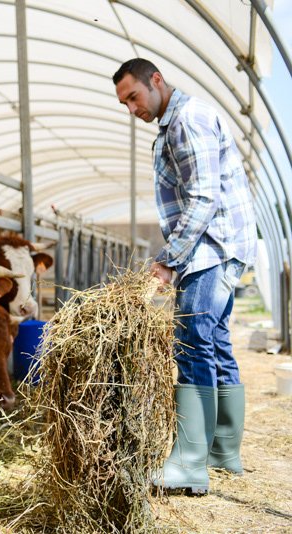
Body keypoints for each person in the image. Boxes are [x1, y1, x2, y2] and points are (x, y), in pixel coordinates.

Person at [112, 58, 257, 494]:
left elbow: (203, 196)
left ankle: (190, 465)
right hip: (219, 246)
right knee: (213, 342)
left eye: (134, 97)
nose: (132, 109)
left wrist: (169, 259)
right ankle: (222, 451)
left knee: (192, 342)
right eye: (124, 103)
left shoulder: (187, 120)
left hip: (212, 249)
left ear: (156, 80)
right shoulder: (175, 121)